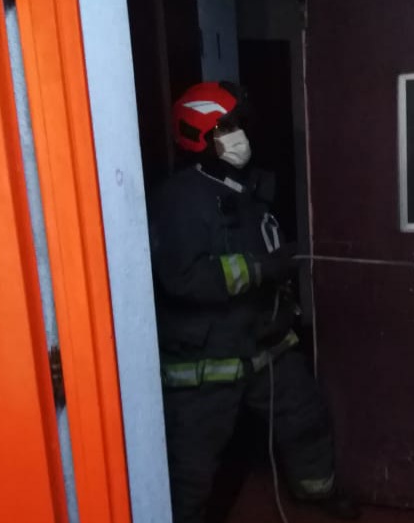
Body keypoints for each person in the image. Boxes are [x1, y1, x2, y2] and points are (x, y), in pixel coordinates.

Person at [149, 81, 360, 523]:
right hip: (207, 359)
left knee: (305, 421)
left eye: (239, 124)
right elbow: (182, 278)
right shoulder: (180, 199)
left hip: (267, 343)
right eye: (225, 127)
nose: (238, 136)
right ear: (199, 135)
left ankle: (317, 492)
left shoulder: (247, 189)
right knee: (191, 465)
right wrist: (264, 268)